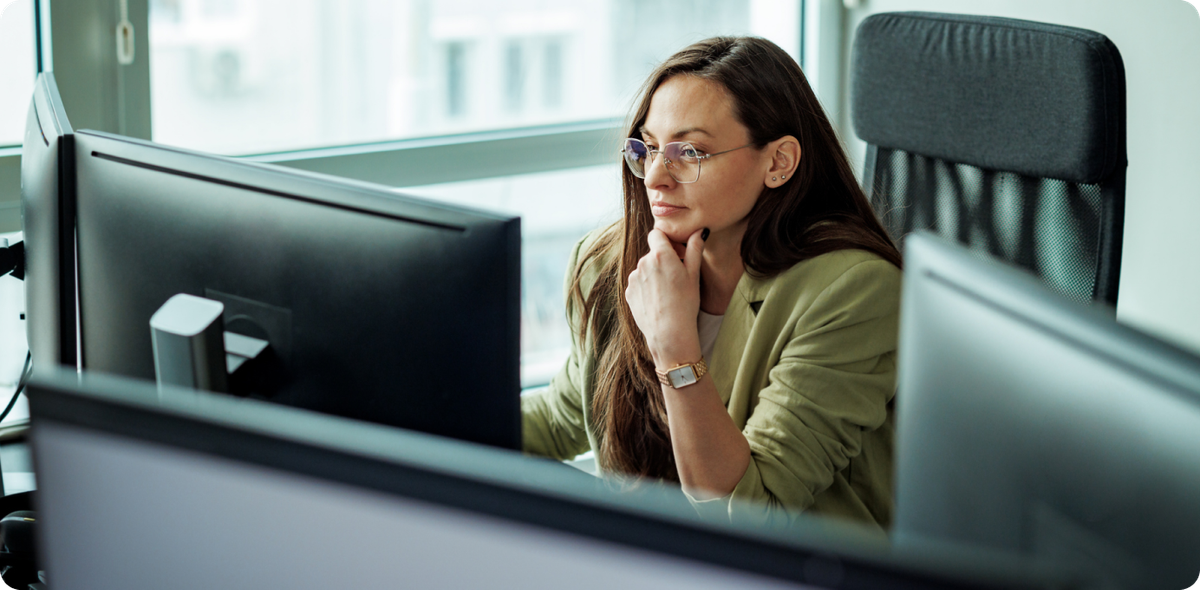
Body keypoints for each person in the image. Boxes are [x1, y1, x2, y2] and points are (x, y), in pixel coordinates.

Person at [522, 36, 902, 529]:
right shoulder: (613, 264)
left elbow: (750, 511)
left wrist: (673, 344)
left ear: (778, 162)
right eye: (650, 148)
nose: (655, 177)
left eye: (691, 151)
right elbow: (562, 418)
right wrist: (416, 415)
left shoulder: (853, 292)